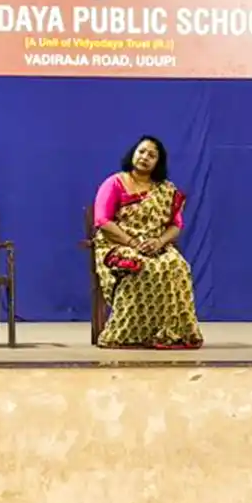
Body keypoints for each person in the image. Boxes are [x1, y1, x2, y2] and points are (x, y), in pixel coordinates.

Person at [92, 135, 204, 350]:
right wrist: (132, 242)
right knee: (142, 267)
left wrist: (159, 241)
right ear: (133, 153)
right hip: (118, 244)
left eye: (152, 155)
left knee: (177, 266)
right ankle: (125, 333)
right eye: (142, 151)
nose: (145, 157)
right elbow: (102, 221)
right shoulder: (115, 182)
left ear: (157, 163)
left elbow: (176, 226)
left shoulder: (166, 190)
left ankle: (171, 332)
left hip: (155, 244)